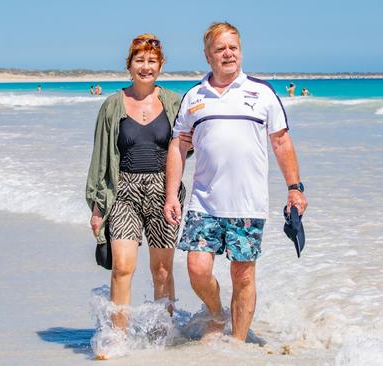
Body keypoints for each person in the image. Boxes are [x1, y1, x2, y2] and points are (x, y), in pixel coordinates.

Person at [163, 22, 308, 341]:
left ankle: (238, 345)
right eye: (220, 48)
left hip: (248, 204)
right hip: (204, 203)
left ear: (240, 51)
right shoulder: (194, 97)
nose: (228, 53)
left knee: (243, 275)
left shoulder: (262, 93)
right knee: (197, 269)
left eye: (233, 47)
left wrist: (295, 188)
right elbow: (178, 146)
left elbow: (281, 142)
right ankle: (217, 312)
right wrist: (171, 194)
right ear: (207, 55)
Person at [85, 33, 187, 359]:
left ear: (161, 65)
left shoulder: (174, 103)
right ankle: (117, 337)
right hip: (124, 192)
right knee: (123, 268)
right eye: (139, 61)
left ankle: (163, 334)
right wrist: (98, 207)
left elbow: (189, 146)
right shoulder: (112, 106)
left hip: (164, 192)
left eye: (152, 61)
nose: (146, 67)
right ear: (129, 65)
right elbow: (101, 159)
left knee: (162, 271)